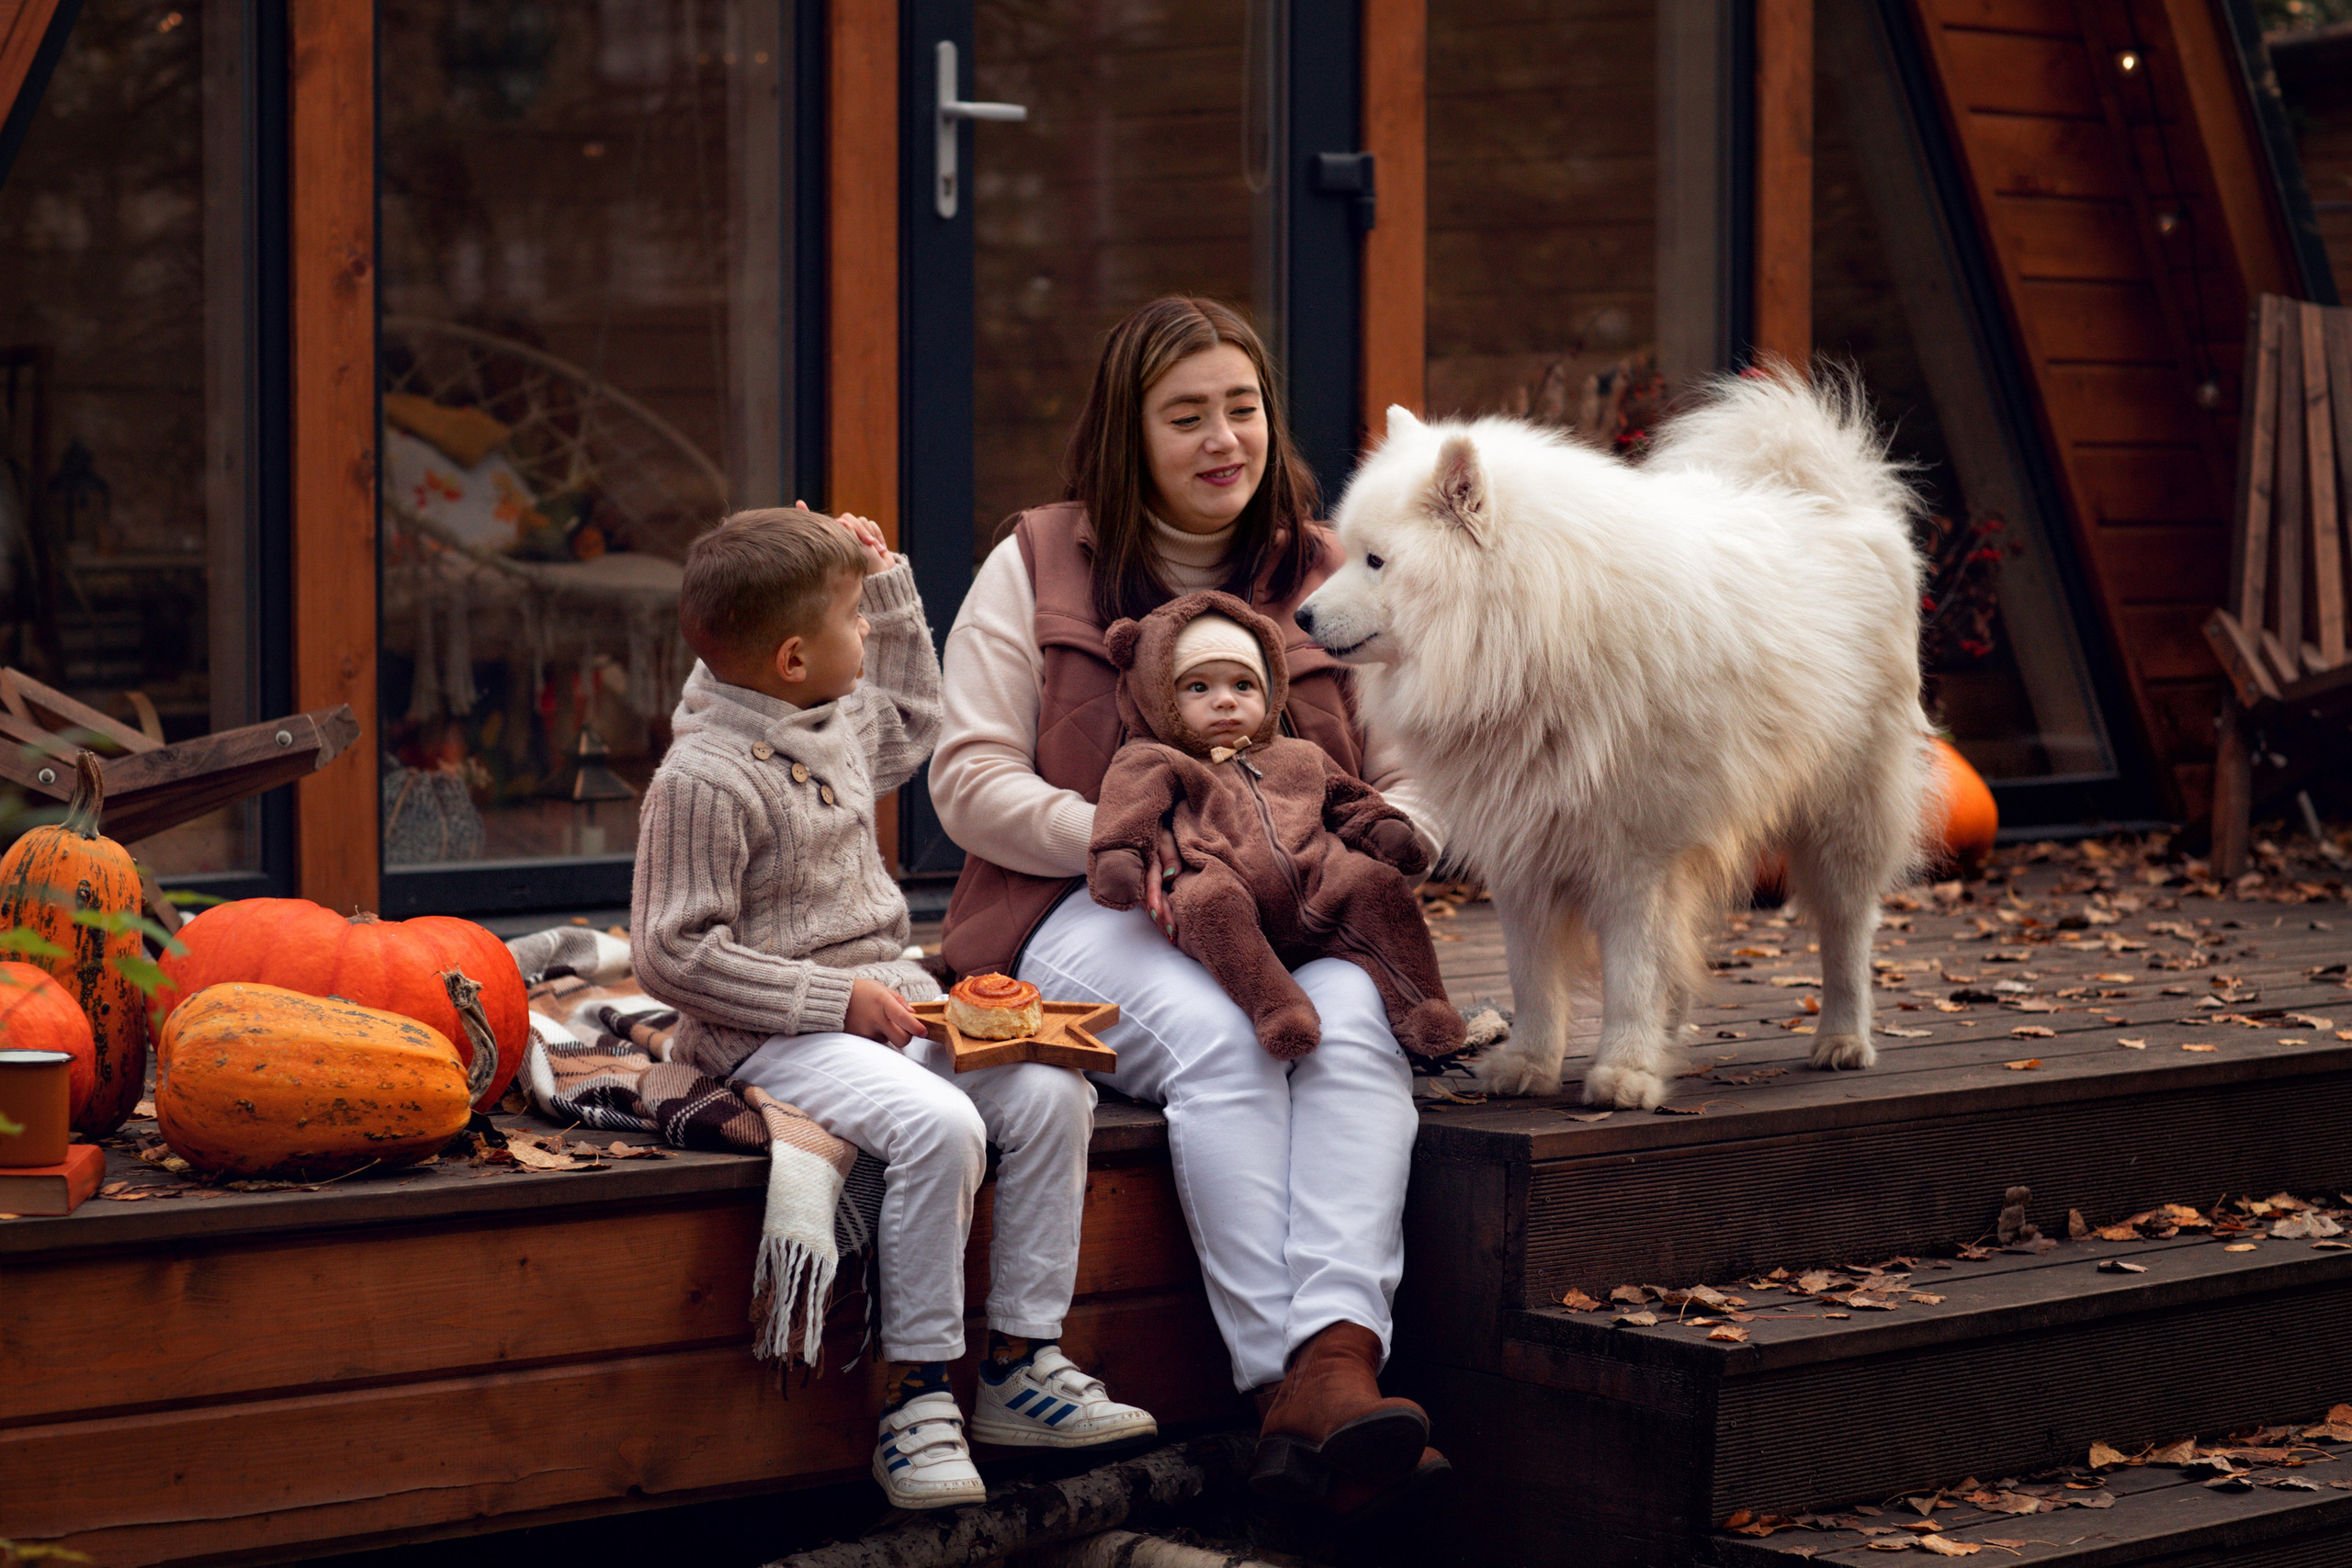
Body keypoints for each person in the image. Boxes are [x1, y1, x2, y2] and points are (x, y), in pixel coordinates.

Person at [931, 297, 1447, 1510]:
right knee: (1225, 1043)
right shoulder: (1039, 558)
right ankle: (1286, 1379)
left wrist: (1406, 828)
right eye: (1187, 415)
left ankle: (1338, 1358)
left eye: (1243, 407)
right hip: (1087, 903)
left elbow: (1427, 753)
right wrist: (1132, 838)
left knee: (1353, 1030)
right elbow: (966, 776)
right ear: (1128, 431)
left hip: (1301, 903)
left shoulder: (1333, 568)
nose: (1226, 437)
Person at [632, 506, 1155, 1513]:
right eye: (850, 621)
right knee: (937, 1125)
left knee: (1050, 1090)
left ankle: (1018, 1364)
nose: (866, 635)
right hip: (772, 1033)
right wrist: (831, 998)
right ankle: (914, 1398)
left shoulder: (826, 722)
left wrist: (883, 580)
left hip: (892, 1000)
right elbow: (668, 953)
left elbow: (915, 720)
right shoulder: (700, 779)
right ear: (792, 656)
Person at [1086, 592, 1465, 1064]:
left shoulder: (1298, 754)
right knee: (1208, 904)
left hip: (1318, 880)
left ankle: (1422, 1006)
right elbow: (1127, 811)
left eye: (1243, 685)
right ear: (1159, 695)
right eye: (1198, 688)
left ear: (1270, 689)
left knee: (1377, 884)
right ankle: (1277, 1008)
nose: (1225, 701)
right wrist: (1120, 854)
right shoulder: (1155, 759)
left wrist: (1383, 825)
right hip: (1225, 877)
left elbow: (1348, 800)